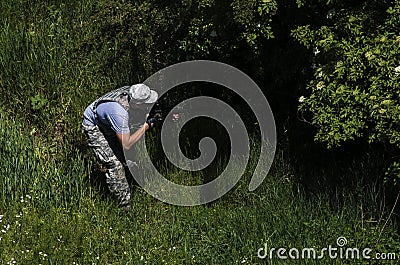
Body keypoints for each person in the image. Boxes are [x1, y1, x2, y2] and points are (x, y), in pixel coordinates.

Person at [82, 84, 158, 213]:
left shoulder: (133, 93)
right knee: (114, 164)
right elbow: (127, 144)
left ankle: (135, 184)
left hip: (108, 122)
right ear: (138, 104)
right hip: (94, 125)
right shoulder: (118, 113)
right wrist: (146, 126)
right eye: (147, 103)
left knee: (127, 159)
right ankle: (124, 207)